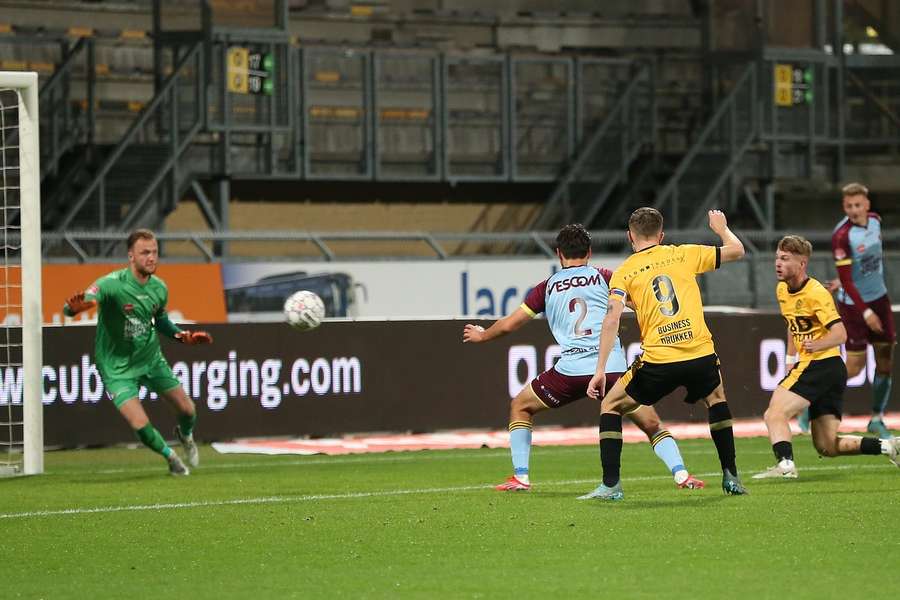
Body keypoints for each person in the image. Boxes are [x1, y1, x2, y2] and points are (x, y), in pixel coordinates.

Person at [463, 224, 704, 491]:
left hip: (570, 373)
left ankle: (521, 477)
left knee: (521, 406)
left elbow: (510, 325)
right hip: (612, 370)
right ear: (589, 252)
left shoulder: (546, 287)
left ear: (558, 254)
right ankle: (682, 475)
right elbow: (644, 303)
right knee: (652, 424)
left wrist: (483, 335)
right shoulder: (606, 277)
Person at [581, 208, 748, 500]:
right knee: (716, 399)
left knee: (610, 404)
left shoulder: (624, 272)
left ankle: (611, 485)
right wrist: (721, 228)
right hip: (699, 353)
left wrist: (599, 370)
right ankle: (731, 474)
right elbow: (737, 250)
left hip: (659, 360)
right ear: (661, 234)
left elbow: (611, 319)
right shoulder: (685, 254)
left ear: (630, 236)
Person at [63, 229, 212, 476]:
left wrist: (181, 336)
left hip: (149, 358)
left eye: (154, 252)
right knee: (139, 424)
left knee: (188, 410)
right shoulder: (111, 284)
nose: (151, 257)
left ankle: (185, 436)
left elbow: (161, 320)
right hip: (116, 367)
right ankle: (172, 457)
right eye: (145, 253)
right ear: (131, 256)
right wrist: (72, 310)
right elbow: (81, 301)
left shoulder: (159, 288)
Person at [753, 236, 899, 479]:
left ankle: (786, 466)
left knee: (774, 414)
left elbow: (840, 334)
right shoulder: (782, 289)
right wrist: (790, 359)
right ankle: (889, 446)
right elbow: (792, 324)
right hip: (827, 370)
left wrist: (816, 344)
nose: (777, 263)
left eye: (785, 259)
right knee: (827, 445)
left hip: (821, 364)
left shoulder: (817, 293)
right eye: (777, 258)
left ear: (802, 264)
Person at [800, 183, 895, 439]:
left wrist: (846, 280)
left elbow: (863, 265)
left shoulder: (875, 221)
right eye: (849, 206)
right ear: (844, 207)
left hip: (880, 299)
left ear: (867, 205)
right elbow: (849, 281)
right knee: (854, 367)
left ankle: (876, 419)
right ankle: (809, 405)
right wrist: (865, 312)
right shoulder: (842, 235)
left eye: (858, 205)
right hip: (854, 307)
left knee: (885, 360)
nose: (854, 210)